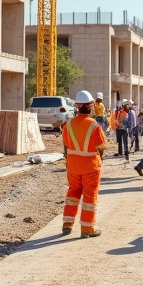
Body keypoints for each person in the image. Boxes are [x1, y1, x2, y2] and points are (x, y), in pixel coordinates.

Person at [61, 90, 108, 237]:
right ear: (90, 106)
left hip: (73, 165)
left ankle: (67, 224)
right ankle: (87, 228)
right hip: (90, 166)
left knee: (73, 192)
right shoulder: (94, 125)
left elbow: (66, 145)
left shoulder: (68, 124)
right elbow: (101, 146)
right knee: (89, 196)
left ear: (77, 106)